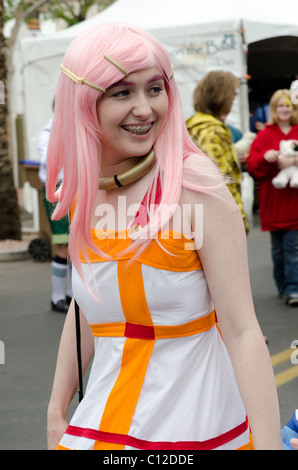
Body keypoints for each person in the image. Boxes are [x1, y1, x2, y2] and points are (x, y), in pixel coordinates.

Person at [46, 22, 282, 450]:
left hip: (194, 430)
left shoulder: (191, 185)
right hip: (102, 423)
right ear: (83, 102)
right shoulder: (86, 188)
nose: (144, 108)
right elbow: (86, 302)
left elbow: (243, 328)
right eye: (122, 92)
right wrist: (56, 409)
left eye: (154, 88)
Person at [247, 89, 298, 307]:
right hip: (273, 204)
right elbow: (252, 164)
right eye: (280, 105)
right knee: (278, 252)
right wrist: (266, 158)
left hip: (294, 205)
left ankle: (293, 289)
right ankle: (282, 285)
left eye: (288, 105)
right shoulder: (265, 135)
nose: (284, 109)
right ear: (274, 109)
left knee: (292, 249)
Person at [186, 71, 249, 234]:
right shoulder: (213, 131)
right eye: (232, 94)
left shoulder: (194, 125)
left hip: (199, 215)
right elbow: (224, 181)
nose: (234, 98)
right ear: (222, 96)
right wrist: (240, 219)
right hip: (221, 220)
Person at [38, 105, 73, 313]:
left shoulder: (73, 128)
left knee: (75, 245)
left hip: (74, 189)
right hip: (57, 191)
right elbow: (49, 162)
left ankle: (70, 294)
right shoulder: (48, 131)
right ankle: (57, 296)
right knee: (64, 246)